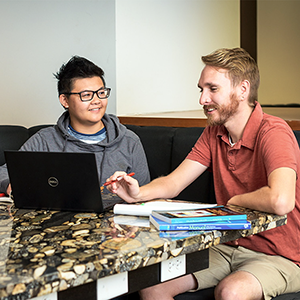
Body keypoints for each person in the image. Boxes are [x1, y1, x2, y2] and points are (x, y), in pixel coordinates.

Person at [106, 48, 300, 300]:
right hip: (225, 246)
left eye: (212, 89)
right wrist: (137, 193)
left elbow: (280, 201)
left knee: (231, 291)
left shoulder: (274, 131)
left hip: (279, 256)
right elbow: (174, 182)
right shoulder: (213, 133)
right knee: (152, 285)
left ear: (242, 90)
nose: (202, 99)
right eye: (201, 89)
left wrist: (235, 201)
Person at [0, 56, 150, 195]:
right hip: (57, 222)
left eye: (101, 92)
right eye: (86, 95)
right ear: (65, 100)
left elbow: (144, 194)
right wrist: (13, 186)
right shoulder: (44, 140)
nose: (97, 100)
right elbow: (5, 173)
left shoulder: (129, 141)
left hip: (112, 222)